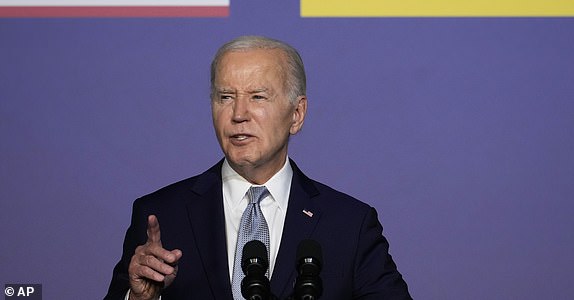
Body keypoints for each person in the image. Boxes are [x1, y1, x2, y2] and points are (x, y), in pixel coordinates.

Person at [104, 35, 411, 300]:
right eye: (225, 97)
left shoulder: (349, 224)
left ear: (297, 114)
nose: (238, 114)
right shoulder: (162, 215)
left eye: (257, 97)